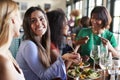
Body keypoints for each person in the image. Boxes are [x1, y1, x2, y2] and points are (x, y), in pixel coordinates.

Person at [16, 7, 81, 80]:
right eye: (33, 21)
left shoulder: (41, 41)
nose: (38, 23)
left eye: (41, 19)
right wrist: (63, 58)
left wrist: (67, 57)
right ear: (28, 25)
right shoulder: (29, 45)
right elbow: (44, 76)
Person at [0, 0, 25, 80]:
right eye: (19, 16)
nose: (21, 22)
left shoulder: (6, 52)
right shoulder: (4, 62)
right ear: (13, 19)